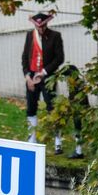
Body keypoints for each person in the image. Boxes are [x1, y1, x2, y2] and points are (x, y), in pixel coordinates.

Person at [21, 11, 64, 150]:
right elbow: (24, 58)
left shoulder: (55, 36)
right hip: (32, 75)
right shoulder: (29, 36)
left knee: (52, 107)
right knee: (31, 107)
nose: (41, 29)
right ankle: (31, 138)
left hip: (48, 75)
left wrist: (44, 72)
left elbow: (59, 58)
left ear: (47, 24)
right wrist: (28, 76)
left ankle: (58, 141)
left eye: (43, 26)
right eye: (38, 26)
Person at [61, 64, 89, 159]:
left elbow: (75, 99)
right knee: (78, 129)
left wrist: (68, 106)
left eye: (67, 77)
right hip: (80, 109)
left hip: (79, 109)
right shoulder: (78, 82)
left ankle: (79, 152)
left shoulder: (75, 84)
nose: (66, 79)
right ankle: (78, 150)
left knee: (78, 129)